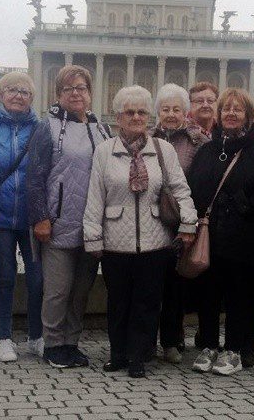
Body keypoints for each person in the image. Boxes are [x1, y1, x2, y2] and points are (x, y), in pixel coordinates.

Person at [84, 86, 198, 378]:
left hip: (154, 239)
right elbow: (95, 196)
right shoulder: (105, 151)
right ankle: (118, 353)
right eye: (129, 112)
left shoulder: (163, 149)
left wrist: (188, 222)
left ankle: (139, 356)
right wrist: (92, 236)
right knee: (118, 301)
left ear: (149, 116)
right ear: (118, 116)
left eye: (142, 112)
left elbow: (179, 189)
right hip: (115, 240)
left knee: (147, 303)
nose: (136, 117)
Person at [187, 88, 254, 376]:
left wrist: (246, 204)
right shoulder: (207, 150)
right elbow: (192, 189)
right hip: (211, 237)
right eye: (225, 109)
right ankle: (209, 344)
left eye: (237, 110)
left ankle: (234, 349)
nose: (230, 113)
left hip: (245, 240)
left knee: (239, 295)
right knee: (209, 293)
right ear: (218, 115)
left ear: (248, 116)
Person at [26, 65, 111, 369]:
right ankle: (53, 344)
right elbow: (34, 176)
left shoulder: (102, 130)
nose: (76, 93)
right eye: (69, 88)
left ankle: (71, 343)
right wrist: (40, 217)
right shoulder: (45, 127)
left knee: (80, 291)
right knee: (58, 290)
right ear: (59, 94)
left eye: (82, 88)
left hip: (92, 225)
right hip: (58, 221)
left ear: (90, 93)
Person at [0, 72, 43, 362]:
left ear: (32, 98)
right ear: (2, 94)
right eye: (12, 90)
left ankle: (36, 336)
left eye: (25, 92)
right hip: (1, 214)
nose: (18, 95)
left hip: (32, 216)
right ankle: (3, 337)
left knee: (38, 279)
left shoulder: (40, 128)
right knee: (4, 276)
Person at [150, 83, 209, 363]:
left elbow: (202, 182)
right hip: (150, 219)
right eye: (165, 108)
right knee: (150, 284)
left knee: (175, 285)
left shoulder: (198, 142)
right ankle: (147, 339)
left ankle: (171, 341)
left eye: (176, 109)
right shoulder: (146, 138)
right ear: (157, 112)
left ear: (185, 112)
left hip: (182, 222)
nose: (171, 114)